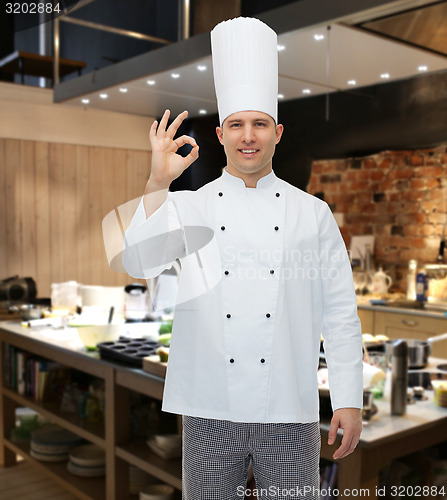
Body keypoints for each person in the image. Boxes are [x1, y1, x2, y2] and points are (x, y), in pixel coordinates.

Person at [119, 17, 363, 500]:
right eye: (236, 124)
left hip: (289, 409)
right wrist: (156, 184)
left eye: (259, 124)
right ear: (220, 133)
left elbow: (339, 312)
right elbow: (136, 262)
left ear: (277, 132)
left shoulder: (313, 213)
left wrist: (348, 398)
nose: (247, 135)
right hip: (209, 406)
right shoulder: (190, 205)